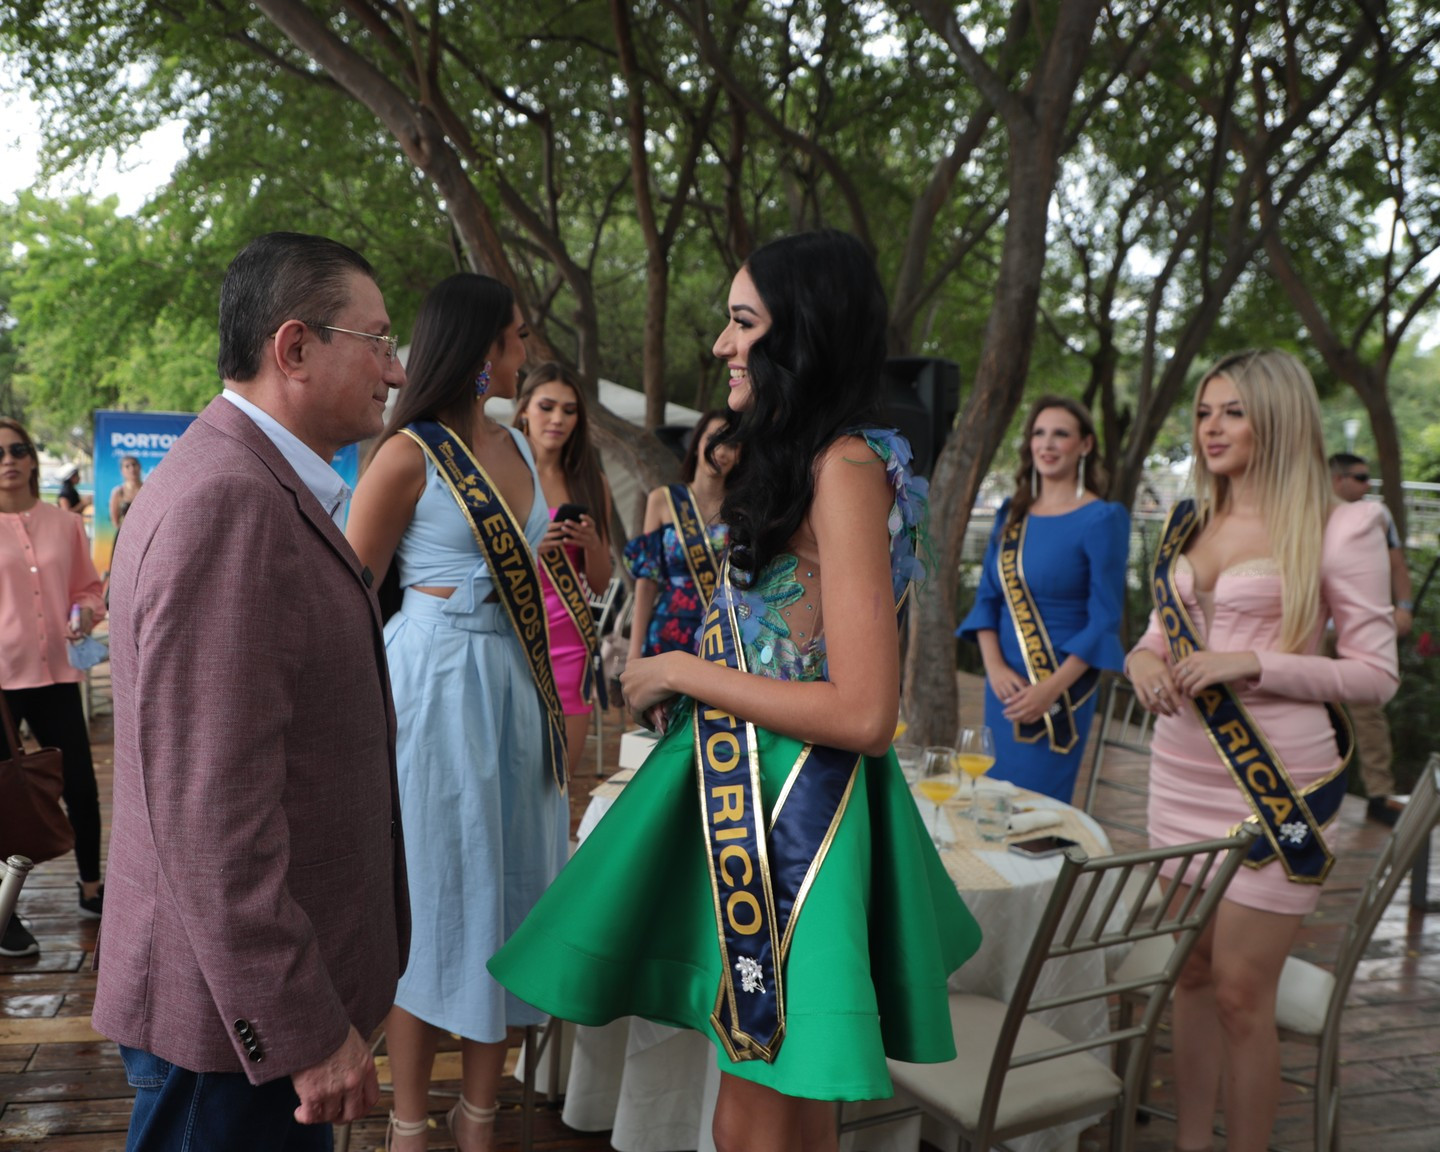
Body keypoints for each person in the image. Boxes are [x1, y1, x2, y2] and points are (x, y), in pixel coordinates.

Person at [490, 230, 981, 1152]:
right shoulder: (816, 460)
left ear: (800, 334)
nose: (720, 345)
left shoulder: (844, 468)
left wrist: (677, 669)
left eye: (742, 322)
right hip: (746, 791)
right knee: (772, 1107)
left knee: (762, 1111)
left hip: (797, 813)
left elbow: (867, 713)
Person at [91, 232, 410, 1150]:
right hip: (232, 1031)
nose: (393, 370)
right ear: (296, 348)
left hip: (239, 1015)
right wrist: (304, 1027)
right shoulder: (232, 501)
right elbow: (214, 811)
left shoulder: (251, 481)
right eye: (378, 340)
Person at [1125, 349, 1397, 1152]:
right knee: (1194, 975)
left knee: (1245, 994)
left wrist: (1255, 662)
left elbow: (1376, 677)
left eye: (1233, 411)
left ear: (1277, 416)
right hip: (1178, 781)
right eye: (1205, 413)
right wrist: (1143, 660)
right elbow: (1156, 635)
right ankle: (1190, 1143)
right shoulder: (1189, 518)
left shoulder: (1339, 524)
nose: (1212, 428)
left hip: (1277, 788)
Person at [345, 273, 569, 1152]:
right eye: (515, 337)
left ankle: (478, 1116)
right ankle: (408, 1122)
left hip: (514, 690)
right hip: (433, 692)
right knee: (433, 898)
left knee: (506, 895)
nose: (525, 351)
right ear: (482, 350)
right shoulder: (409, 454)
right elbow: (351, 595)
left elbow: (526, 571)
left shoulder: (517, 445)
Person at [956, 396, 1129, 802]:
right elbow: (987, 600)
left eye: (1061, 434)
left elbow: (1104, 619)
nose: (1047, 444)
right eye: (1039, 433)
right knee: (992, 805)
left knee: (1038, 817)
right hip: (1004, 690)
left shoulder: (1103, 518)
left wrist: (1049, 689)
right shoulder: (1010, 515)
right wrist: (994, 668)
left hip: (1061, 690)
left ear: (1085, 445)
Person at [0, 419, 107, 959]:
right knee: (5, 796)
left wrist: (86, 615)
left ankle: (91, 888)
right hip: (0, 682)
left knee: (82, 787)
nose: (9, 459)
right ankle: (5, 908)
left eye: (18, 448)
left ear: (33, 458)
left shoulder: (65, 524)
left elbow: (89, 588)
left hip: (58, 675)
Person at [513, 361, 614, 765]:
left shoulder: (591, 480)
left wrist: (590, 544)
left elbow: (601, 583)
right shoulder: (504, 472)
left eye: (569, 410)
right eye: (546, 406)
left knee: (559, 775)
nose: (557, 419)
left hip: (570, 639)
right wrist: (532, 548)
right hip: (511, 630)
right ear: (523, 409)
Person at [1329, 451, 1413, 825]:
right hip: (1316, 630)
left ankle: (1379, 794)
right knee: (1307, 705)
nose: (1367, 485)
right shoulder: (1313, 510)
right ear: (1337, 480)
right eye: (1360, 478)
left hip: (1359, 632)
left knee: (1369, 712)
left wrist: (1404, 606)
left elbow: (1397, 564)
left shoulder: (1378, 515)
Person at [624, 408, 734, 661]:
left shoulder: (741, 510)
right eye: (713, 438)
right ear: (696, 443)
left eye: (732, 443)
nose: (720, 450)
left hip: (721, 639)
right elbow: (647, 582)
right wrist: (634, 652)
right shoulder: (663, 500)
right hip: (667, 635)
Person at [108, 455, 143, 530]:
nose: (132, 469)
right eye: (127, 466)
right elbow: (115, 521)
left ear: (139, 467)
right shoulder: (118, 492)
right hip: (124, 535)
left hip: (147, 535)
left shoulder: (148, 490)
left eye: (134, 464)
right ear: (122, 471)